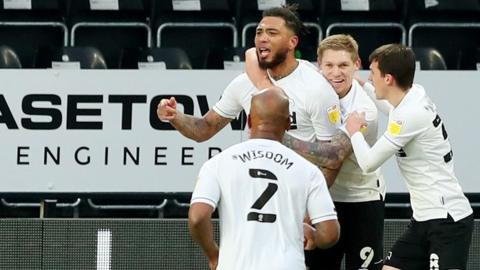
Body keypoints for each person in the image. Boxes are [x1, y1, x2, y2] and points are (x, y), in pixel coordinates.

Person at [157, 5, 351, 184]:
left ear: (292, 42)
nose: (263, 38)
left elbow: (331, 160)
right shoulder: (244, 83)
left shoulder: (316, 88)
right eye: (259, 32)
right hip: (255, 191)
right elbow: (204, 129)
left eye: (272, 33)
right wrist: (176, 117)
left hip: (297, 192)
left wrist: (311, 211)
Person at [246, 34, 385, 270]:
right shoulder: (312, 84)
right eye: (329, 65)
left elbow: (332, 156)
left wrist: (277, 135)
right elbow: (251, 55)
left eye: (343, 65)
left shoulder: (363, 110)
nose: (336, 73)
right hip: (322, 199)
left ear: (357, 65)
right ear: (318, 66)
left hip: (361, 200)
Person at [346, 44, 473, 270]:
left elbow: (368, 163)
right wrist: (360, 84)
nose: (370, 77)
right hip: (423, 218)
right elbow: (390, 107)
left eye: (373, 73)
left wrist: (354, 131)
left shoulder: (409, 116)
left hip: (446, 220)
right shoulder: (413, 94)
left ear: (388, 79)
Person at [188, 86, 340, 270]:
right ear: (288, 123)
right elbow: (330, 233)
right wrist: (313, 236)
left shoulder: (217, 164)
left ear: (250, 121)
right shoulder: (308, 170)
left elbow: (197, 217)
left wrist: (213, 255)